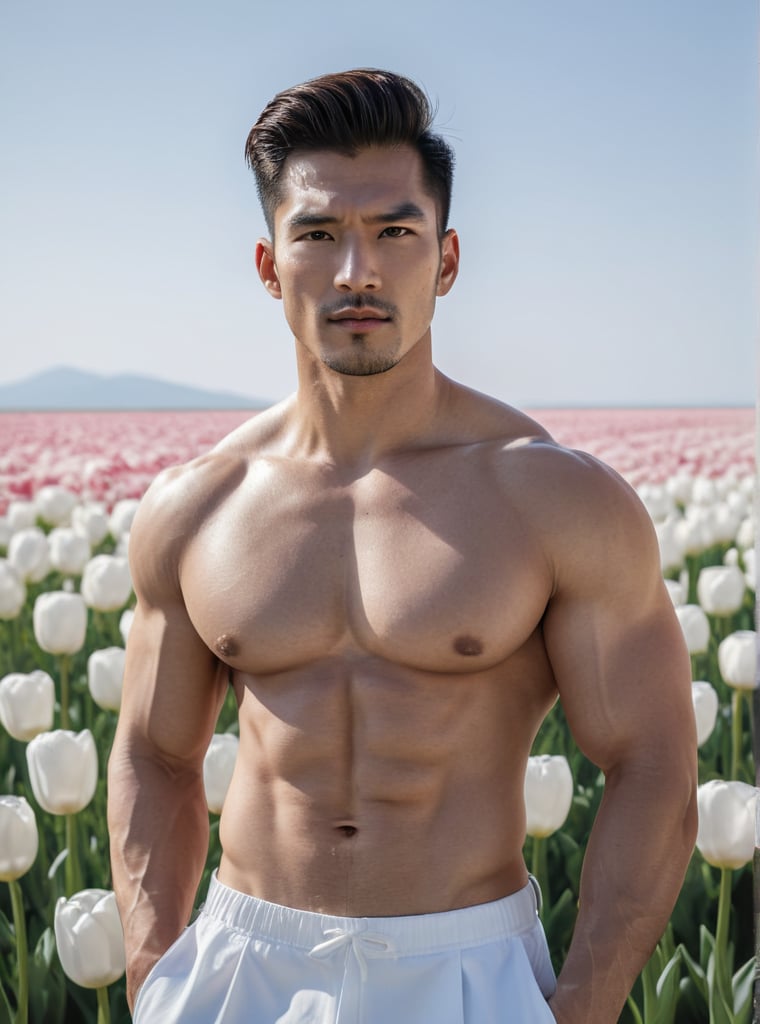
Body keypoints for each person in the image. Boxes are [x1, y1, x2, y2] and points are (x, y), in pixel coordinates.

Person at [107, 68, 698, 1024]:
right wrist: (151, 972)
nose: (357, 272)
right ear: (269, 265)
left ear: (448, 258)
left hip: (464, 971)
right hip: (240, 966)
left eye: (395, 232)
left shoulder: (552, 498)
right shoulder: (199, 504)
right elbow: (151, 754)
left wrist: (581, 1009)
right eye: (317, 235)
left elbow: (655, 766)